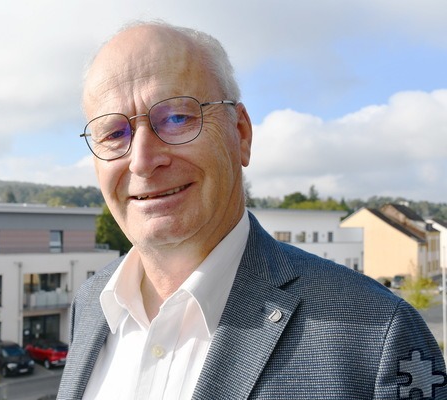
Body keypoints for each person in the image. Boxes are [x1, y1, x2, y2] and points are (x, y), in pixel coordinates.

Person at [58, 21, 446, 399]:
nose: (142, 161)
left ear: (240, 133)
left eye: (176, 118)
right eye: (113, 133)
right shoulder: (92, 303)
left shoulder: (378, 335)